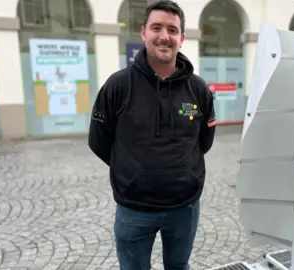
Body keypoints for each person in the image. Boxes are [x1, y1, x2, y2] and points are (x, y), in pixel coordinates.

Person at [87, 0, 216, 269]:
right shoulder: (118, 86)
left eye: (172, 29)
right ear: (143, 32)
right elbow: (99, 140)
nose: (164, 36)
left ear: (182, 37)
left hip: (184, 207)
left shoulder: (199, 89)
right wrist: (133, 171)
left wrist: (182, 172)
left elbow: (204, 141)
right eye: (157, 27)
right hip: (134, 209)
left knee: (179, 267)